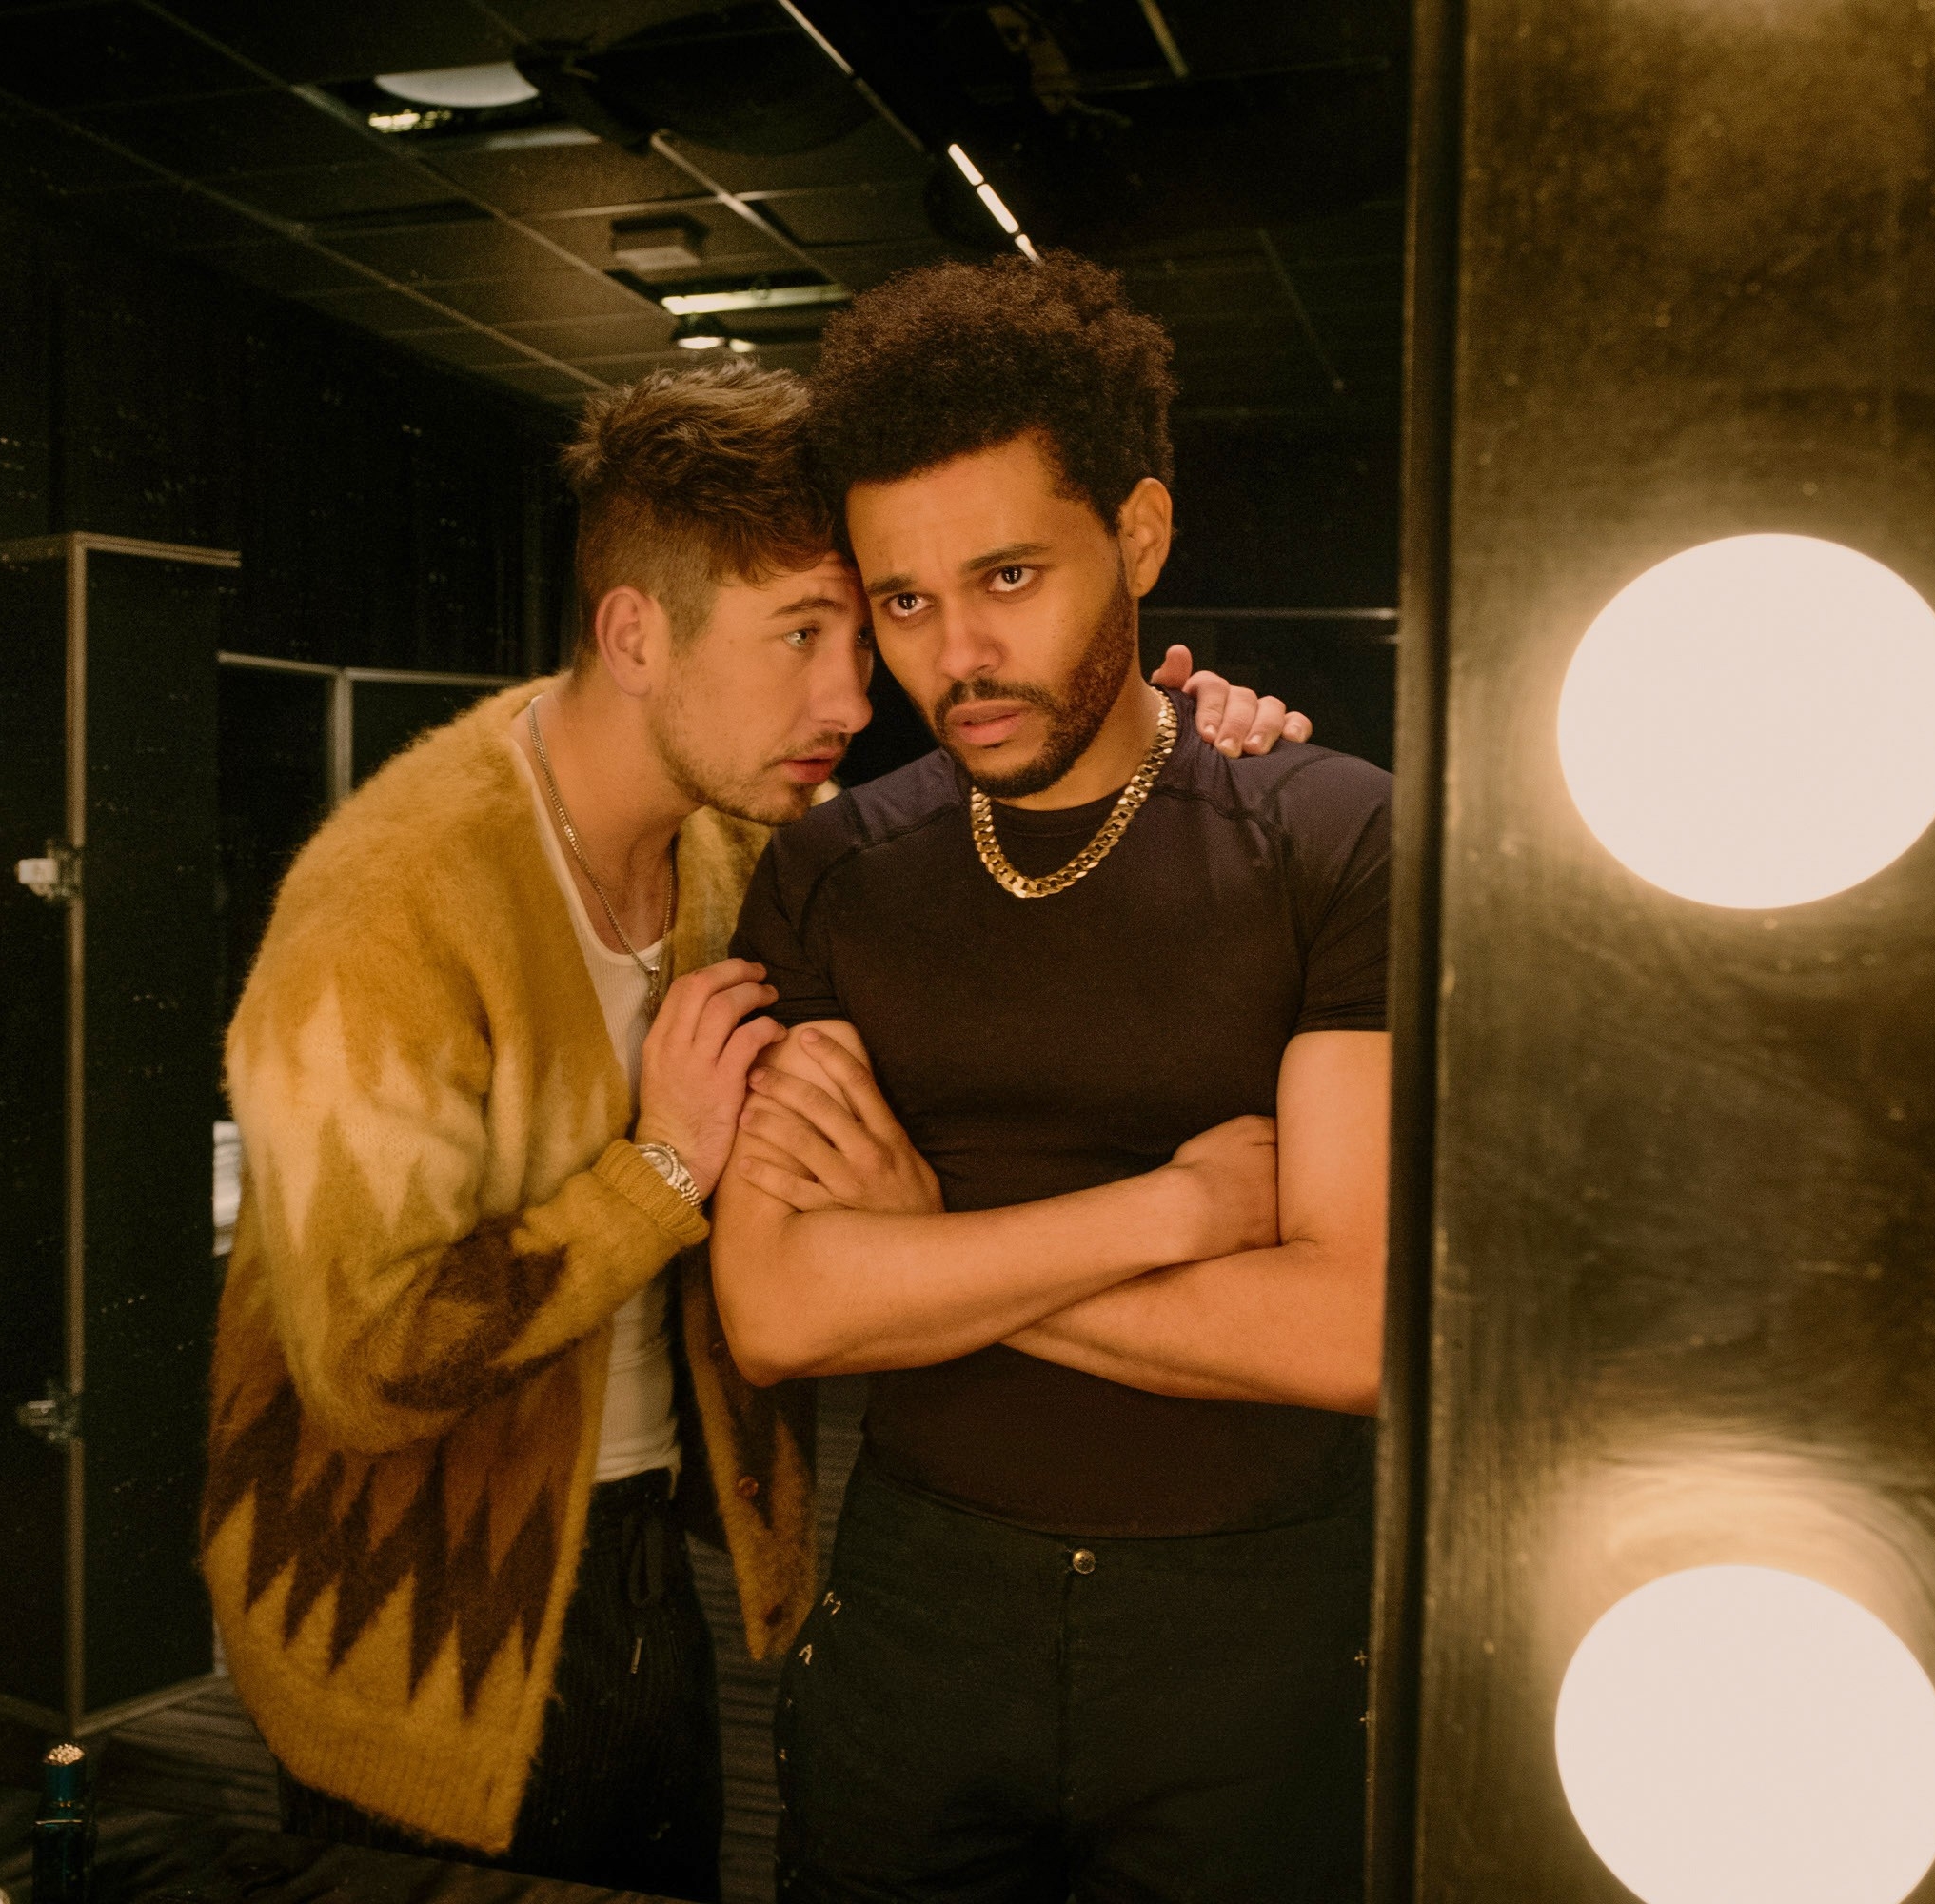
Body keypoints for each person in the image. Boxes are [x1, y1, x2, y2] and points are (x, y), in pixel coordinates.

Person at [200, 356, 1309, 1899]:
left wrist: (1186, 736)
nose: (856, 704)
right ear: (636, 632)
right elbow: (370, 1366)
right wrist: (661, 1170)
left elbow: (1023, 838)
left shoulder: (741, 851)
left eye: (866, 638)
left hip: (663, 1559)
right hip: (422, 1618)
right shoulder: (387, 904)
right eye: (803, 636)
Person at [713, 256, 1392, 1904]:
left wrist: (929, 1238)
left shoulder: (1327, 836)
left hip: (1254, 1633)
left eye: (1010, 574)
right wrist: (1173, 1215)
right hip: (920, 1615)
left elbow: (1354, 1333)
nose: (962, 654)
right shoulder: (833, 875)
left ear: (1141, 538)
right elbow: (782, 1317)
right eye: (907, 600)